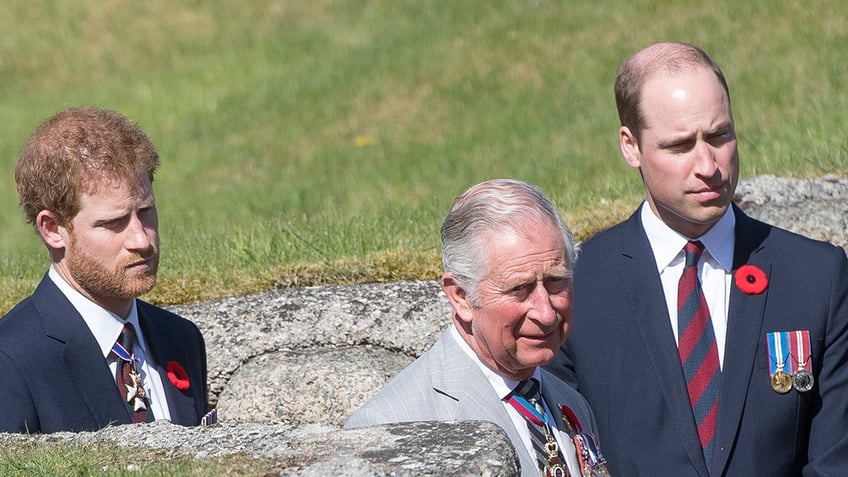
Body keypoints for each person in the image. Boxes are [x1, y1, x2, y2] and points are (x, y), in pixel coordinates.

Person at [547, 42, 848, 476]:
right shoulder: (579, 286)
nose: (708, 165)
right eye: (680, 145)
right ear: (630, 146)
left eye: (720, 135)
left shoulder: (816, 278)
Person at [346, 179, 611, 477]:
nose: (546, 313)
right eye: (519, 289)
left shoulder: (569, 402)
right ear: (460, 296)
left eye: (555, 281)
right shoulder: (387, 429)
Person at [0, 106, 212, 433]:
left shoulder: (181, 339)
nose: (141, 239)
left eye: (146, 211)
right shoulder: (12, 361)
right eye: (113, 223)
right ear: (53, 229)